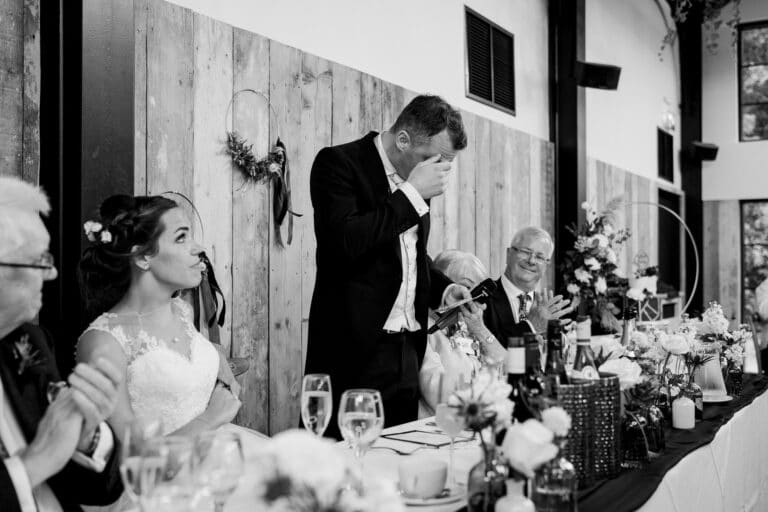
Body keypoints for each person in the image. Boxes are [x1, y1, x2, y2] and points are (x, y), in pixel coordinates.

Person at [306, 95, 471, 437]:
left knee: (400, 456)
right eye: (432, 159)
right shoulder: (338, 164)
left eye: (445, 164)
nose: (438, 171)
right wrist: (411, 194)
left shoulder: (415, 178)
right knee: (348, 456)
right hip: (355, 351)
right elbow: (344, 243)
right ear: (403, 140)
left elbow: (409, 253)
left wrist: (444, 289)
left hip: (407, 352)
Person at [76, 194, 241, 446]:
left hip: (219, 452)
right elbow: (129, 455)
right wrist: (210, 419)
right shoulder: (103, 343)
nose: (198, 248)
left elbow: (181, 363)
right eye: (181, 237)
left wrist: (216, 358)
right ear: (142, 257)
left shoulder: (182, 311)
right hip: (163, 468)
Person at [0, 177, 124, 511]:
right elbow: (45, 454)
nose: (52, 273)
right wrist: (33, 464)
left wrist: (86, 436)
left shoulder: (28, 341)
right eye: (40, 260)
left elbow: (102, 491)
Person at [419, 250, 507, 416]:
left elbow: (508, 371)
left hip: (477, 421)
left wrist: (481, 331)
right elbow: (438, 395)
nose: (470, 298)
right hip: (440, 426)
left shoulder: (471, 327)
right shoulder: (425, 330)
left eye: (477, 291)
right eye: (466, 287)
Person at [483, 227, 573, 344]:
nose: (531, 261)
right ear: (508, 254)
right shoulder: (482, 298)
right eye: (525, 252)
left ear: (546, 265)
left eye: (539, 257)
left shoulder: (547, 308)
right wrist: (531, 327)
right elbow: (485, 348)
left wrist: (556, 339)